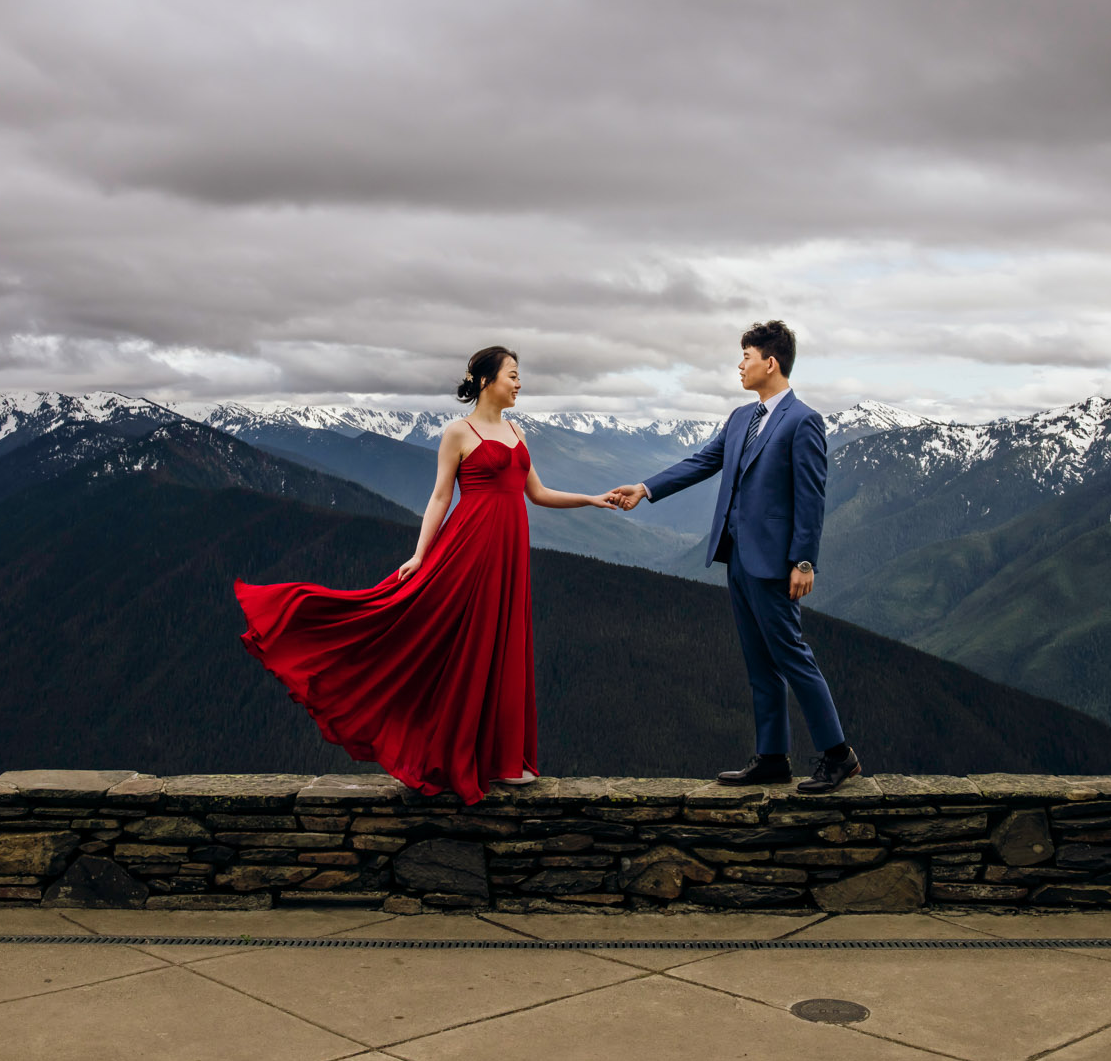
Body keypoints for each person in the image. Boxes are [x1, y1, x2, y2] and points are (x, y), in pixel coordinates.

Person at [235, 345, 621, 804]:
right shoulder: (458, 432)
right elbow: (440, 497)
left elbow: (536, 493)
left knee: (504, 644)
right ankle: (460, 755)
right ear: (484, 380)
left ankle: (503, 758)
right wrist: (420, 556)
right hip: (470, 550)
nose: (520, 383)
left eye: (520, 377)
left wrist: (593, 499)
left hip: (510, 554)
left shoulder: (517, 431)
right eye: (513, 375)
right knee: (468, 646)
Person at [610, 320, 860, 793]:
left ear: (771, 362)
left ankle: (838, 754)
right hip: (738, 559)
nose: (739, 366)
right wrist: (645, 489)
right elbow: (703, 462)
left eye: (745, 357)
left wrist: (804, 561)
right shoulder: (741, 417)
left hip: (776, 563)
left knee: (791, 655)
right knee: (758, 661)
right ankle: (772, 758)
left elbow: (811, 496)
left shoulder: (803, 420)